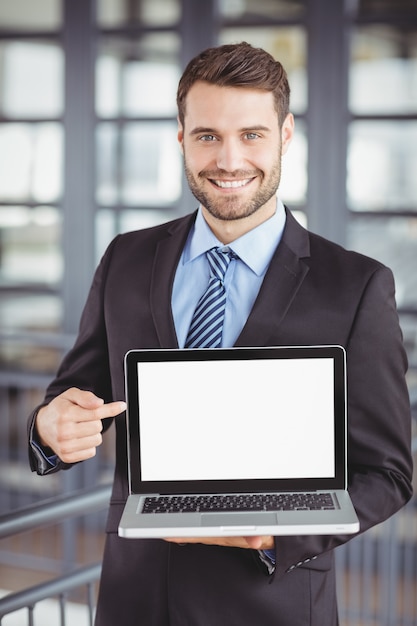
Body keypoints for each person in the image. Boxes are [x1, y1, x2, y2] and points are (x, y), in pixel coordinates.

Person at [28, 42, 413, 626]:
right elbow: (75, 394)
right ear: (181, 138)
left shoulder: (357, 286)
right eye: (208, 135)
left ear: (285, 135)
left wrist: (284, 533)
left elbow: (388, 474)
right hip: (137, 596)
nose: (229, 160)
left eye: (252, 135)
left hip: (273, 601)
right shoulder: (126, 260)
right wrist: (48, 427)